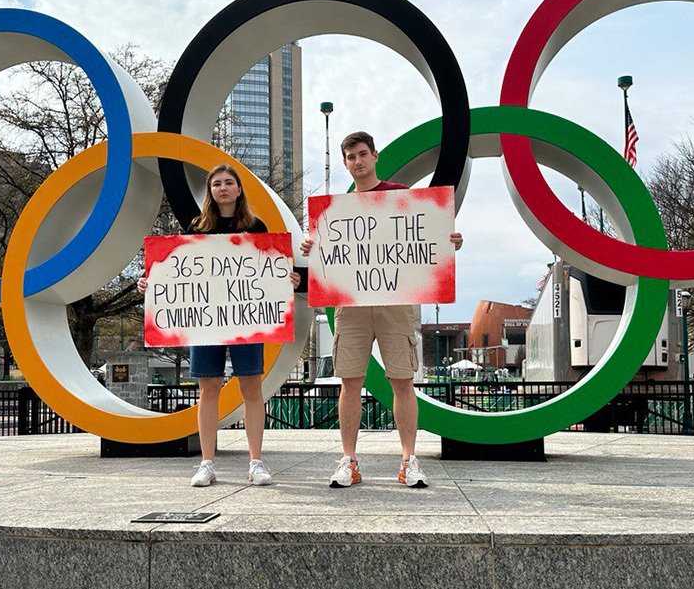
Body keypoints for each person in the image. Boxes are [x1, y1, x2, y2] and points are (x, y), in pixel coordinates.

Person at [301, 132, 462, 489]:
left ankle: (409, 460)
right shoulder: (336, 211)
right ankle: (349, 461)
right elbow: (324, 258)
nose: (357, 162)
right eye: (351, 157)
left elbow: (429, 237)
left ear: (375, 156)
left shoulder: (400, 196)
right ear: (345, 163)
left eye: (362, 154)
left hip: (395, 303)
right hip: (352, 306)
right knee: (350, 382)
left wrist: (450, 241)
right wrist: (311, 244)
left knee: (403, 382)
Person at [138, 165, 300, 487]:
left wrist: (287, 279)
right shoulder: (197, 227)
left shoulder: (256, 226)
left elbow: (268, 271)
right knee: (207, 388)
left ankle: (256, 462)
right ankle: (207, 463)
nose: (223, 188)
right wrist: (150, 283)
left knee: (251, 388)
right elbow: (177, 271)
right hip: (206, 323)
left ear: (239, 190)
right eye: (216, 184)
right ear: (210, 191)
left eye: (229, 183)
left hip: (246, 321)